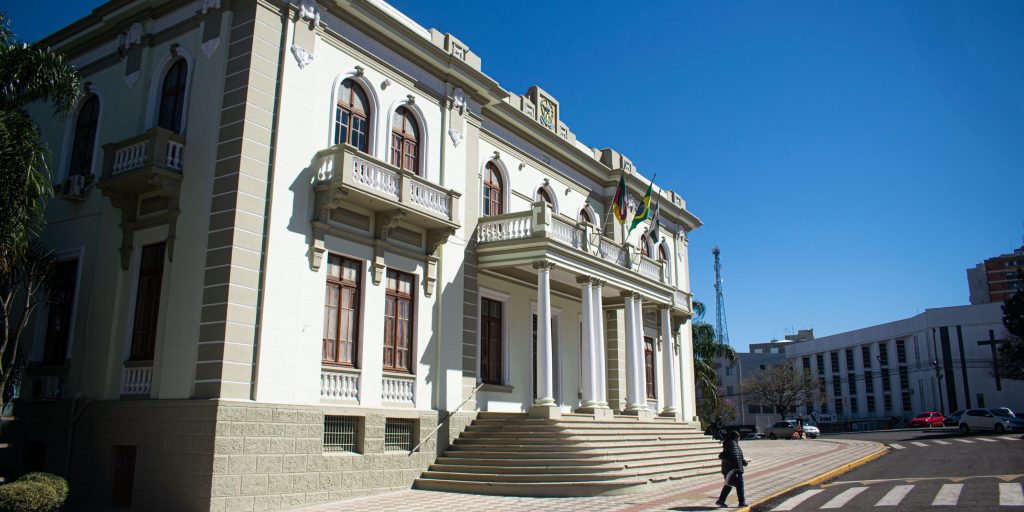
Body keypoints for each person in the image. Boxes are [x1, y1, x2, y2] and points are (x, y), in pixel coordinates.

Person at [715, 429, 748, 508]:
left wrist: (743, 462)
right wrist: (736, 466)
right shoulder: (732, 444)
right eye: (739, 437)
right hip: (734, 470)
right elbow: (733, 456)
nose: (739, 439)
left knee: (729, 485)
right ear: (736, 437)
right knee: (740, 485)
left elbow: (737, 456)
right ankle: (742, 502)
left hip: (731, 469)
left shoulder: (731, 443)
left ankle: (721, 501)